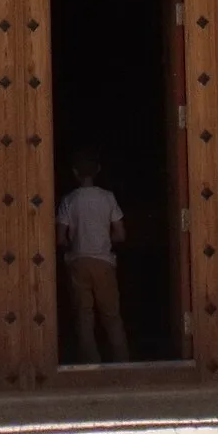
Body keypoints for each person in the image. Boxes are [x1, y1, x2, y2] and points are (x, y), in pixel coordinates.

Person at [56, 152, 129, 364]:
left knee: (84, 316)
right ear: (98, 170)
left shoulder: (69, 200)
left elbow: (61, 238)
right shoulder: (108, 198)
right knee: (111, 315)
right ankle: (122, 361)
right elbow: (120, 234)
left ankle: (90, 361)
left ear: (74, 173)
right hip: (104, 262)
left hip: (78, 261)